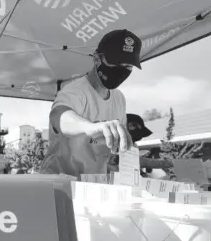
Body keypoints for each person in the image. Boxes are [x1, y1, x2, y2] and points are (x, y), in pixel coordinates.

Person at [40, 29, 142, 177]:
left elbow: (114, 148)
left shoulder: (119, 99)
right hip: (58, 183)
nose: (121, 70)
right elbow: (59, 115)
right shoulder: (76, 91)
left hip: (92, 186)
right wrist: (90, 127)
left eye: (128, 66)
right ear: (96, 59)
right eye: (116, 63)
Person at [108, 113, 173, 174]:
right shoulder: (107, 141)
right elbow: (102, 165)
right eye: (133, 126)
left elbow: (138, 162)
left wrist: (163, 163)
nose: (138, 134)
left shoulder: (133, 146)